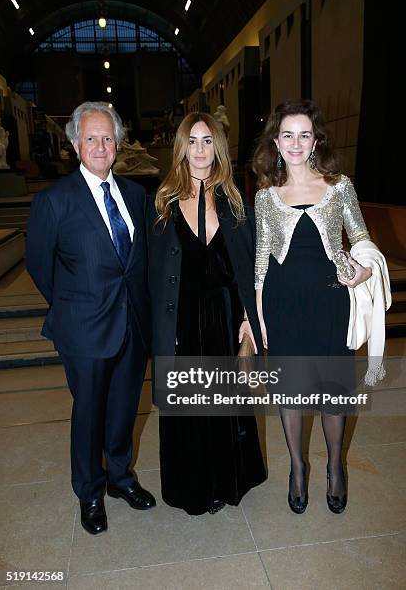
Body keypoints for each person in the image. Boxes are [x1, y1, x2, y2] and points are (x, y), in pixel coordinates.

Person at [253, 99, 389, 515]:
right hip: (283, 304)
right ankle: (297, 468)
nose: (296, 143)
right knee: (290, 395)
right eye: (287, 135)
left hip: (331, 302)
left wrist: (361, 274)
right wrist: (259, 320)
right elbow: (260, 261)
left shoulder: (339, 186)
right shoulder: (266, 196)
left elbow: (362, 239)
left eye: (304, 134)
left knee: (334, 394)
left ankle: (334, 467)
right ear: (276, 142)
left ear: (316, 141)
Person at [26, 102, 155, 535]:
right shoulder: (54, 201)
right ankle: (90, 492)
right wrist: (73, 307)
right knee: (88, 414)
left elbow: (141, 264)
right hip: (84, 330)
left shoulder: (138, 196)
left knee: (123, 409)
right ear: (75, 145)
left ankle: (119, 478)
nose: (100, 146)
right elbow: (40, 266)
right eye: (91, 138)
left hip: (133, 326)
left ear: (117, 143)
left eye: (107, 138)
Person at [147, 112, 266, 515]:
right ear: (181, 147)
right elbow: (153, 271)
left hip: (225, 317)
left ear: (219, 147)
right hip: (181, 321)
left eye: (207, 141)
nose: (200, 150)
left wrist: (250, 319)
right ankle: (193, 487)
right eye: (192, 141)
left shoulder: (236, 203)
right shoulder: (162, 203)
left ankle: (228, 481)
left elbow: (250, 267)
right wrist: (162, 327)